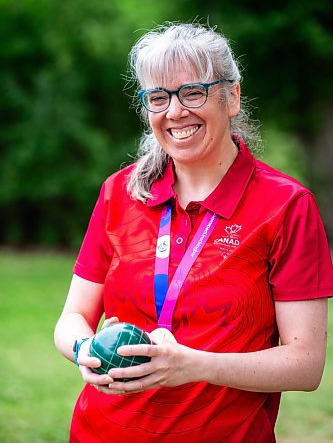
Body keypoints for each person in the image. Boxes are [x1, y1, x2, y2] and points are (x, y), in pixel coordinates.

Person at [54, 22, 333, 442]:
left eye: (193, 92)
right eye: (159, 97)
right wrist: (83, 350)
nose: (175, 112)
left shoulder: (286, 206)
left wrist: (192, 365)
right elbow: (72, 318)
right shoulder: (120, 192)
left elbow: (306, 364)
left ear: (232, 96)